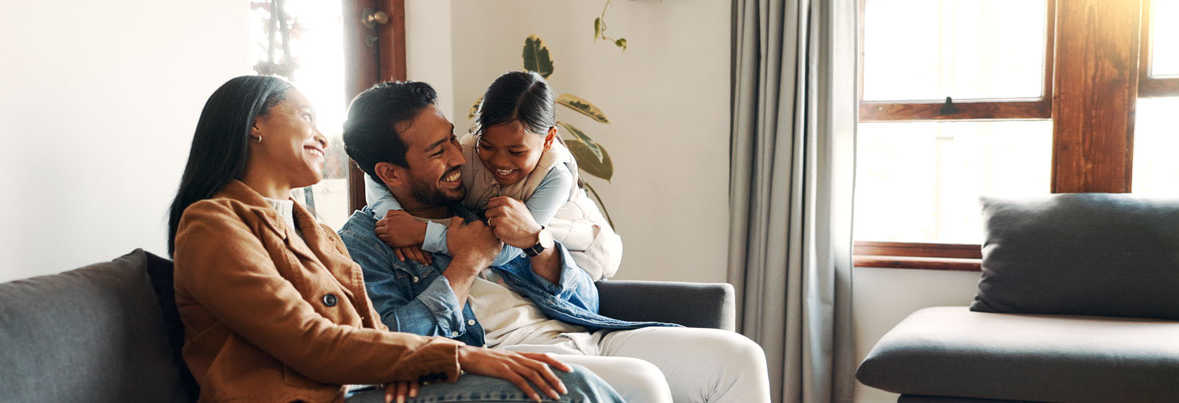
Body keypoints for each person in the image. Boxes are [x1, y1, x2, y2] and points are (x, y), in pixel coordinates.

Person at [167, 75, 623, 403]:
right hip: (317, 395)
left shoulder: (313, 231)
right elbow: (312, 342)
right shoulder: (213, 225)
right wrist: (456, 356)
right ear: (255, 125)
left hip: (362, 386)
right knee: (574, 389)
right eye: (306, 117)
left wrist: (405, 366)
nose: (322, 137)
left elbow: (374, 334)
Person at [338, 80, 771, 403]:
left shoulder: (477, 203)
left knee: (738, 357)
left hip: (581, 335)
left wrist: (537, 243)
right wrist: (464, 264)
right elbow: (387, 343)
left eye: (453, 138)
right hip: (504, 355)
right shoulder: (362, 246)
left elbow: (587, 305)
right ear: (390, 173)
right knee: (644, 383)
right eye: (438, 152)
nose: (459, 157)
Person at [365, 71, 621, 281]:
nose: (499, 161)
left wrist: (422, 233)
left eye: (516, 151)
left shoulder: (556, 176)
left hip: (582, 249)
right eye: (487, 146)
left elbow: (506, 248)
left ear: (548, 139)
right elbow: (376, 171)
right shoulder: (463, 153)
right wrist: (392, 217)